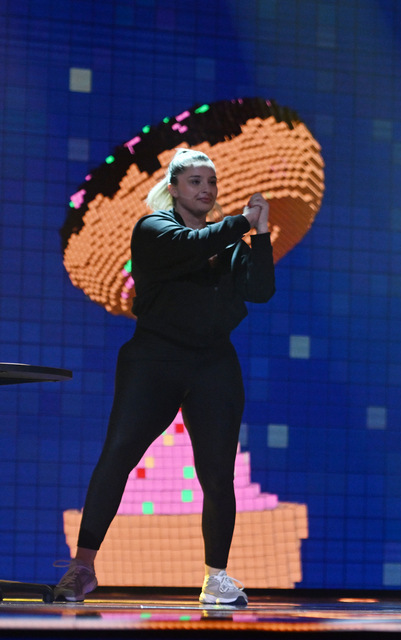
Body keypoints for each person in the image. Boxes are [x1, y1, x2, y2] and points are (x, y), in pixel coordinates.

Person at [53, 148, 275, 607]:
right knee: (119, 454)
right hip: (155, 359)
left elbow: (260, 290)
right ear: (173, 188)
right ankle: (82, 568)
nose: (206, 189)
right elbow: (192, 247)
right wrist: (242, 221)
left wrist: (262, 235)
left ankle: (216, 578)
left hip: (214, 363)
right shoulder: (154, 229)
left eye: (211, 182)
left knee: (219, 474)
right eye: (195, 181)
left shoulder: (229, 241)